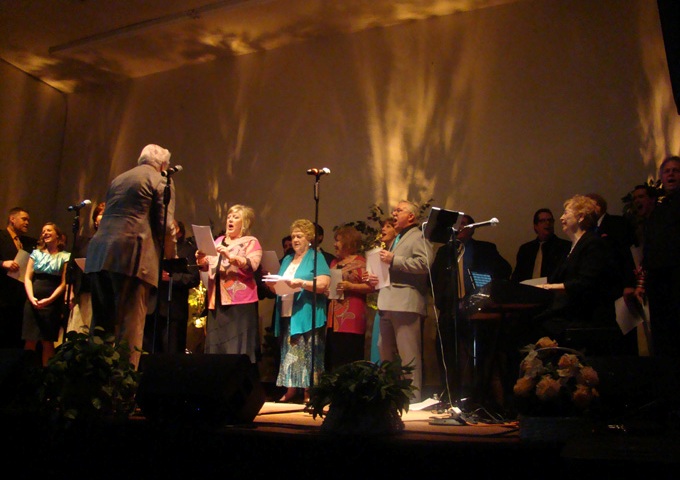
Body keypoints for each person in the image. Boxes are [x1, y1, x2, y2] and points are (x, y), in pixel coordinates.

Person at [85, 144, 177, 369]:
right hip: (133, 256)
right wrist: (171, 257)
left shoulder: (119, 179)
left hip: (99, 254)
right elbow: (165, 225)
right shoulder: (161, 180)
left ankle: (92, 385)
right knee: (130, 327)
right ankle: (123, 390)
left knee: (100, 326)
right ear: (163, 164)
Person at [366, 200, 433, 403]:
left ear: (411, 216)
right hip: (387, 301)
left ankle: (412, 398)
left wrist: (393, 260)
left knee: (408, 353)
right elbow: (392, 267)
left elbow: (425, 263)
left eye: (398, 210)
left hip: (405, 301)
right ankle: (390, 394)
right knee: (383, 349)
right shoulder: (398, 238)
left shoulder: (419, 234)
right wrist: (377, 277)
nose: (393, 213)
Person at [535, 195, 619, 346]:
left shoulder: (593, 243)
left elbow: (585, 283)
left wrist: (547, 287)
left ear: (580, 217)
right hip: (572, 311)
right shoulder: (573, 247)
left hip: (586, 315)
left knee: (534, 326)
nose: (561, 218)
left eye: (566, 213)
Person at [271, 219, 330, 403]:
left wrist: (302, 283)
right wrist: (272, 283)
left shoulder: (315, 257)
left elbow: (323, 284)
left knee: (308, 352)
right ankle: (291, 389)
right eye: (293, 236)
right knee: (290, 352)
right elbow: (279, 284)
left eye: (299, 236)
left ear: (309, 238)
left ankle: (309, 391)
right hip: (287, 310)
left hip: (307, 312)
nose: (295, 240)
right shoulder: (288, 259)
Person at [196, 205, 262, 362]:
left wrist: (231, 256)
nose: (230, 219)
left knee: (236, 348)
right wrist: (201, 260)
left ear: (244, 223)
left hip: (239, 303)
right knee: (216, 348)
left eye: (236, 217)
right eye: (229, 216)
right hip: (216, 300)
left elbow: (252, 265)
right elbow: (208, 266)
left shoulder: (251, 242)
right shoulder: (218, 240)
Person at [636, 156, 680, 365]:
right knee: (663, 340)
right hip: (658, 283)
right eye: (667, 171)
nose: (671, 174)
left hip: (675, 281)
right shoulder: (659, 211)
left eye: (676, 171)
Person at [144, 220, 200, 354]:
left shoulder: (187, 249)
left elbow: (193, 278)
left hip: (173, 310)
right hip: (151, 309)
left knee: (172, 352)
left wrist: (170, 278)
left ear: (178, 231)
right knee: (149, 352)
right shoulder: (154, 249)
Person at [325, 225, 373, 372]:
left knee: (350, 357)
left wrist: (350, 286)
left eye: (338, 240)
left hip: (352, 317)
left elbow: (371, 287)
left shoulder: (361, 262)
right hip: (334, 318)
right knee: (334, 358)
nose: (334, 244)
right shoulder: (334, 263)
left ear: (348, 242)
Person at [22, 222, 70, 366]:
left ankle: (46, 378)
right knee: (30, 339)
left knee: (47, 341)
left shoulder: (65, 256)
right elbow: (27, 278)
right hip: (33, 300)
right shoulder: (35, 253)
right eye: (43, 231)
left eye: (49, 230)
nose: (45, 233)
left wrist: (49, 300)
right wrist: (31, 297)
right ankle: (24, 374)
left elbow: (63, 283)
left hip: (52, 302)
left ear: (57, 235)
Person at [0, 207, 37, 349]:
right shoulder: (1, 237)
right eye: (24, 219)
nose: (27, 223)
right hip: (3, 296)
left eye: (28, 220)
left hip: (18, 298)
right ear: (12, 219)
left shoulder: (26, 243)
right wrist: (3, 263)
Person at [66, 201, 105, 334]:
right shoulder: (83, 242)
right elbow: (72, 267)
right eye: (100, 214)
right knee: (78, 331)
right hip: (83, 292)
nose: (103, 217)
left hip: (102, 294)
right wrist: (70, 291)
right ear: (95, 220)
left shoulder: (113, 245)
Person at [510, 208, 571, 283]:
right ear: (536, 226)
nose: (547, 223)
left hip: (551, 291)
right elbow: (517, 276)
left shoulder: (565, 247)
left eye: (550, 220)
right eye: (542, 221)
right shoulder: (526, 249)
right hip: (527, 291)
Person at [370, 218, 397, 363]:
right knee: (380, 345)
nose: (383, 229)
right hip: (383, 304)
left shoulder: (394, 254)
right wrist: (372, 280)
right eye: (383, 227)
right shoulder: (380, 254)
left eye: (388, 226)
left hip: (396, 304)